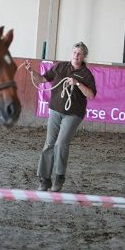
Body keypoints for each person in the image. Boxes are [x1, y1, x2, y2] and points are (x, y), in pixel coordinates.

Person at [25, 42, 97, 192]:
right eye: (75, 52)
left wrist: (77, 83)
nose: (76, 56)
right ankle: (45, 179)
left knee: (61, 143)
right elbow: (42, 79)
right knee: (49, 143)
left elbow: (90, 95)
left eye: (79, 54)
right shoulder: (60, 67)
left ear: (84, 57)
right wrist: (32, 71)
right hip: (55, 110)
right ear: (72, 53)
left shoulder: (86, 74)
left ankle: (59, 176)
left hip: (73, 114)